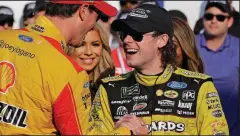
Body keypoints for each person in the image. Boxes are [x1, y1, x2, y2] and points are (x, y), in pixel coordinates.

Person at [0, 1, 146, 135]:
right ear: (84, 11)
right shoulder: (67, 69)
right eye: (98, 15)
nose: (96, 23)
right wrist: (126, 130)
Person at [90, 4, 229, 135]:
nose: (126, 40)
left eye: (136, 34)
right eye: (124, 34)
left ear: (162, 40)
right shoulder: (109, 89)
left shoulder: (200, 87)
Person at [195, 1, 239, 135]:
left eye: (220, 17)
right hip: (196, 128)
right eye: (209, 16)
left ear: (230, 21)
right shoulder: (190, 45)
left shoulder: (238, 47)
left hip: (233, 130)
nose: (214, 21)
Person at [66, 23, 115, 99]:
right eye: (81, 45)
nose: (88, 52)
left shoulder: (111, 85)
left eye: (95, 44)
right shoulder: (58, 85)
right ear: (69, 47)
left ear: (103, 48)